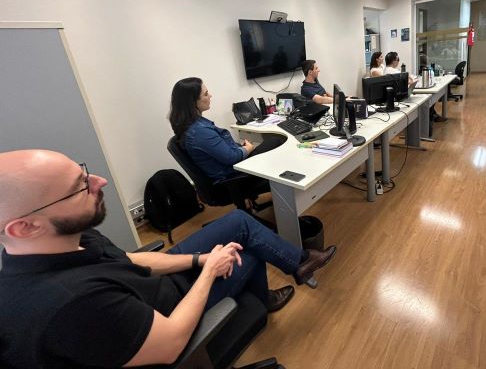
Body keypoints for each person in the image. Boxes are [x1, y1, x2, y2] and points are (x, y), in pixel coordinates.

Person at [0, 149, 337, 368]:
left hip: (157, 283)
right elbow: (171, 343)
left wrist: (198, 260)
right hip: (171, 309)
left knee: (239, 223)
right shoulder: (72, 304)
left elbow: (131, 260)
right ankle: (269, 294)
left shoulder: (75, 236)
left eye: (85, 173)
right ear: (26, 227)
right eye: (80, 187)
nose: (99, 182)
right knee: (245, 252)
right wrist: (210, 270)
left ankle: (298, 263)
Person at [169, 77, 282, 188]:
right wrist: (248, 148)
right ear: (193, 102)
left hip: (231, 170)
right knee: (277, 140)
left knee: (273, 141)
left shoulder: (193, 126)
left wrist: (241, 148)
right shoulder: (199, 132)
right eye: (206, 94)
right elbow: (231, 158)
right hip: (234, 176)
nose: (210, 95)